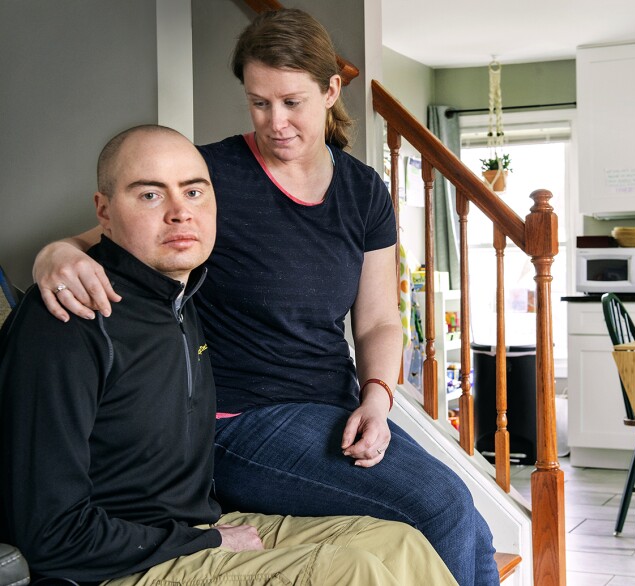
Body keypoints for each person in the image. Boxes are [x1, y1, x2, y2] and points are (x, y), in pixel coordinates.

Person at [32, 9, 499, 585]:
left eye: (291, 102)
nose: (275, 121)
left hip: (334, 409)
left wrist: (377, 398)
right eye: (259, 102)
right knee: (441, 508)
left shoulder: (362, 190)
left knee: (465, 518)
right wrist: (53, 253)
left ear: (330, 91)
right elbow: (115, 230)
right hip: (237, 421)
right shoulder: (212, 175)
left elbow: (377, 321)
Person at [0, 125, 456, 585]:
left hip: (196, 530)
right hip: (120, 564)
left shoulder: (182, 301)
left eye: (194, 192)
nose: (180, 213)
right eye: (150, 196)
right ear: (104, 211)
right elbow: (51, 534)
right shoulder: (67, 319)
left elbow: (376, 320)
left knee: (400, 544)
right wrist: (208, 543)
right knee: (350, 571)